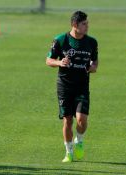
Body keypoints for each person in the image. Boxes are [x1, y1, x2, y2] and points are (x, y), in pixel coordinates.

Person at [46, 11, 98, 163]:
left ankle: (79, 140)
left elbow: (95, 62)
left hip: (82, 86)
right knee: (68, 121)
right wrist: (59, 62)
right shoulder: (60, 40)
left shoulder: (91, 42)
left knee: (81, 120)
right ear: (75, 25)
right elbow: (48, 60)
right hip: (64, 86)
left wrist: (93, 67)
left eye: (87, 23)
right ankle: (68, 152)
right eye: (84, 24)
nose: (87, 26)